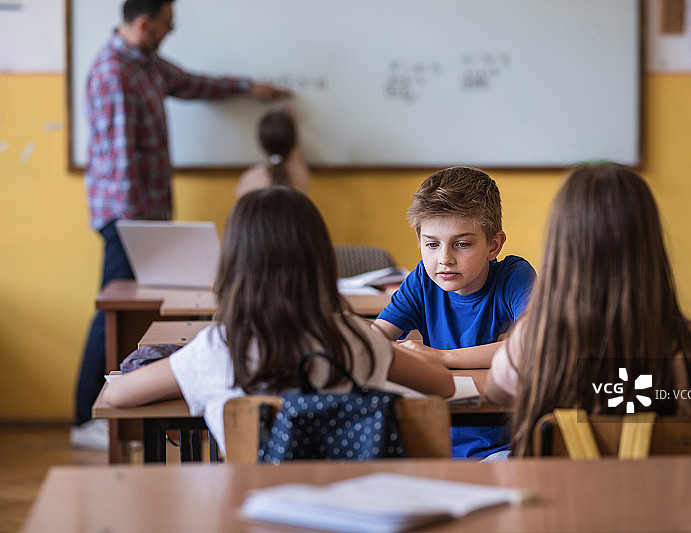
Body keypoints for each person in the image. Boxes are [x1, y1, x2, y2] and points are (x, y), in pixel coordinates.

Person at [73, 0, 292, 449]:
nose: (171, 32)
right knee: (111, 312)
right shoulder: (115, 71)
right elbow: (121, 160)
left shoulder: (146, 65)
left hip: (145, 216)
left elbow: (193, 84)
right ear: (144, 23)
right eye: (167, 25)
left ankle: (119, 409)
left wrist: (250, 87)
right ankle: (86, 418)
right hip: (127, 217)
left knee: (139, 311)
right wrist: (144, 229)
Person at [103, 187, 455, 455]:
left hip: (257, 513)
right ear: (321, 262)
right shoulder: (354, 337)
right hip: (350, 512)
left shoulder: (220, 349)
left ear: (234, 266)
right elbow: (443, 386)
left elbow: (118, 395)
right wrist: (418, 354)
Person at [484, 162, 691, 457]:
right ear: (650, 248)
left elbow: (495, 393)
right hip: (667, 500)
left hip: (563, 500)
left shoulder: (532, 342)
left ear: (560, 251)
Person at [372, 166, 536, 458]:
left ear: (493, 245)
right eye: (432, 245)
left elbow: (535, 345)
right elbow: (373, 341)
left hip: (500, 446)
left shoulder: (514, 276)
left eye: (462, 244)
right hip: (427, 445)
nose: (444, 259)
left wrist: (442, 358)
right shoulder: (422, 279)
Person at [234, 108, 311, 198]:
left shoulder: (250, 180)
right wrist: (291, 121)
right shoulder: (301, 176)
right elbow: (296, 156)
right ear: (293, 141)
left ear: (261, 144)